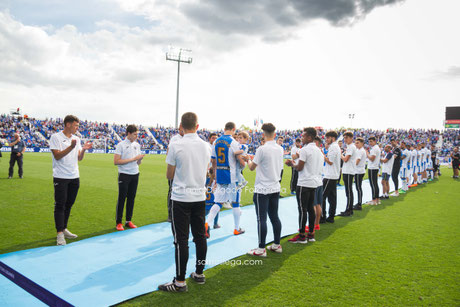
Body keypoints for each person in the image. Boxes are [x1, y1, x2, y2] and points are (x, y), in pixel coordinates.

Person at [159, 112, 211, 292]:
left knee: (181, 240)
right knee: (200, 237)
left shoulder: (176, 144)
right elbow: (206, 171)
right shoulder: (206, 146)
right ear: (197, 126)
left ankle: (180, 282)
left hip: (181, 197)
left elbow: (169, 175)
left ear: (181, 126)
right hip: (199, 196)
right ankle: (199, 272)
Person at [49, 115, 92, 245]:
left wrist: (83, 150)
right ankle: (59, 234)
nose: (77, 128)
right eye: (76, 125)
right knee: (60, 205)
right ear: (68, 124)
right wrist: (71, 147)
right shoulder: (55, 137)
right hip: (61, 176)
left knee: (69, 204)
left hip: (74, 176)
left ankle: (64, 228)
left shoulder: (76, 139)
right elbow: (57, 156)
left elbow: (79, 158)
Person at [245, 123, 284, 257]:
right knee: (274, 216)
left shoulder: (262, 149)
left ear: (263, 134)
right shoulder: (280, 148)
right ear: (274, 133)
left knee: (261, 219)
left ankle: (261, 248)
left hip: (262, 188)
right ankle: (277, 244)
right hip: (275, 186)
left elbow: (251, 167)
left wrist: (247, 160)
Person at [205, 122, 245, 238]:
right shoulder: (234, 142)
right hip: (232, 176)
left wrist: (216, 176)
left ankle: (207, 223)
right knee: (236, 203)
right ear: (233, 129)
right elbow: (239, 162)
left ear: (224, 129)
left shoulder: (216, 142)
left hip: (220, 175)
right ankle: (236, 229)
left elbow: (213, 161)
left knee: (218, 202)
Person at [285, 127, 323, 243]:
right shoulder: (318, 151)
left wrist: (292, 165)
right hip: (314, 183)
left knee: (302, 209)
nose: (302, 138)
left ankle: (302, 235)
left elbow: (300, 167)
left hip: (304, 183)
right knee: (310, 209)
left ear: (309, 137)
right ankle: (311, 234)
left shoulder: (305, 150)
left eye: (303, 136)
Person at [114, 125, 145, 231]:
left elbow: (138, 162)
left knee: (131, 198)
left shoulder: (137, 145)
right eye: (135, 134)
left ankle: (128, 221)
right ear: (129, 133)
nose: (137, 136)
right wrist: (133, 159)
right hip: (124, 174)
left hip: (135, 173)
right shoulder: (121, 145)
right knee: (122, 198)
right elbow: (116, 161)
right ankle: (118, 222)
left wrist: (139, 160)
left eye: (137, 134)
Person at [322, 130, 340, 223]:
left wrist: (322, 155)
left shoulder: (333, 147)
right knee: (332, 198)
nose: (326, 140)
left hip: (330, 175)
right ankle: (331, 216)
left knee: (322, 196)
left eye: (327, 138)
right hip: (333, 175)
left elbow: (330, 161)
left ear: (332, 138)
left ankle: (322, 216)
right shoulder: (335, 146)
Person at [167, 129, 184, 222]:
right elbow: (168, 152)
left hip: (183, 170)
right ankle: (170, 214)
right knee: (172, 191)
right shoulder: (174, 139)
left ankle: (180, 213)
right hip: (175, 169)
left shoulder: (187, 138)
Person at [339, 131, 357, 216]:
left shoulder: (351, 147)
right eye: (344, 138)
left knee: (349, 191)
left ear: (351, 138)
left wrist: (340, 155)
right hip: (347, 171)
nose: (345, 140)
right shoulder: (349, 147)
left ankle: (349, 210)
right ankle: (349, 209)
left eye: (346, 138)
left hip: (349, 171)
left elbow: (346, 159)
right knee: (348, 190)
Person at [313, 136, 324, 230]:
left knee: (313, 205)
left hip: (313, 182)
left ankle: (312, 225)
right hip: (319, 181)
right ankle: (316, 224)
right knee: (318, 204)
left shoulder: (314, 152)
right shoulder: (320, 153)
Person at [366, 136, 381, 205]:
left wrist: (367, 154)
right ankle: (377, 199)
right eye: (369, 141)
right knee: (375, 184)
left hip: (372, 168)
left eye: (371, 141)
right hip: (374, 167)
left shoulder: (374, 148)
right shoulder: (376, 148)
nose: (370, 143)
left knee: (373, 184)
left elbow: (372, 158)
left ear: (375, 141)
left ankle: (374, 200)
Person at [353, 137, 366, 210]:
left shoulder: (360, 151)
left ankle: (359, 203)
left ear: (362, 143)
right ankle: (359, 203)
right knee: (358, 187)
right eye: (356, 143)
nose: (356, 144)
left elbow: (357, 162)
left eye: (358, 143)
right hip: (359, 171)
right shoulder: (360, 150)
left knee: (358, 187)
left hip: (359, 171)